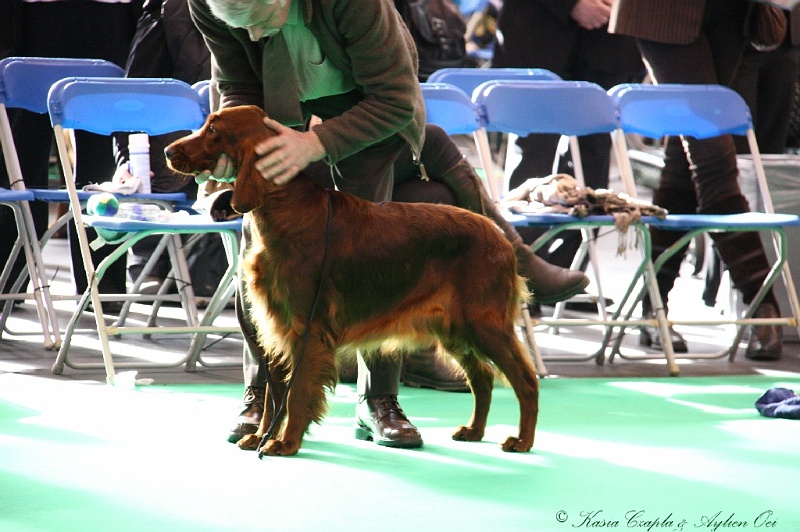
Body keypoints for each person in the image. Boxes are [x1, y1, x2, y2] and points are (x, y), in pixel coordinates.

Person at [188, 0, 588, 448]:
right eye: (244, 27)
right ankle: (263, 396)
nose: (256, 37)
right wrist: (235, 146)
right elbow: (239, 83)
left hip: (366, 117)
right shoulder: (209, 3)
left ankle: (378, 401)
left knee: (373, 258)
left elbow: (395, 100)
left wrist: (317, 142)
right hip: (278, 118)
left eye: (261, 22)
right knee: (264, 261)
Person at [609, 0, 783, 360]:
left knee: (684, 159)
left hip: (733, 11)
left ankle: (651, 308)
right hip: (664, 11)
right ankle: (763, 307)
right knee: (712, 156)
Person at [491, 0, 645, 283]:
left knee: (593, 161)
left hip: (609, 36)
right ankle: (518, 277)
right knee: (532, 156)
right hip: (539, 30)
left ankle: (566, 274)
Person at [0, 0, 142, 306]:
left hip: (106, 15)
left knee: (102, 165)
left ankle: (102, 286)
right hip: (32, 17)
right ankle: (8, 282)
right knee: (18, 163)